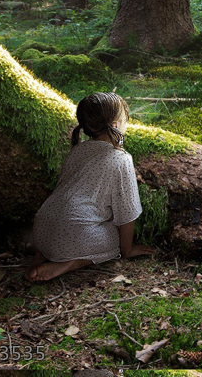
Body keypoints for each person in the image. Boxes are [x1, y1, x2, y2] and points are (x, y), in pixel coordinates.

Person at [26, 92, 154, 281]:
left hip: (41, 229)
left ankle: (42, 255)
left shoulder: (77, 151)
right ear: (115, 125)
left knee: (73, 223)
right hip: (75, 236)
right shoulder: (121, 158)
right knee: (112, 238)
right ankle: (69, 263)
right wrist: (127, 250)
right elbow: (127, 212)